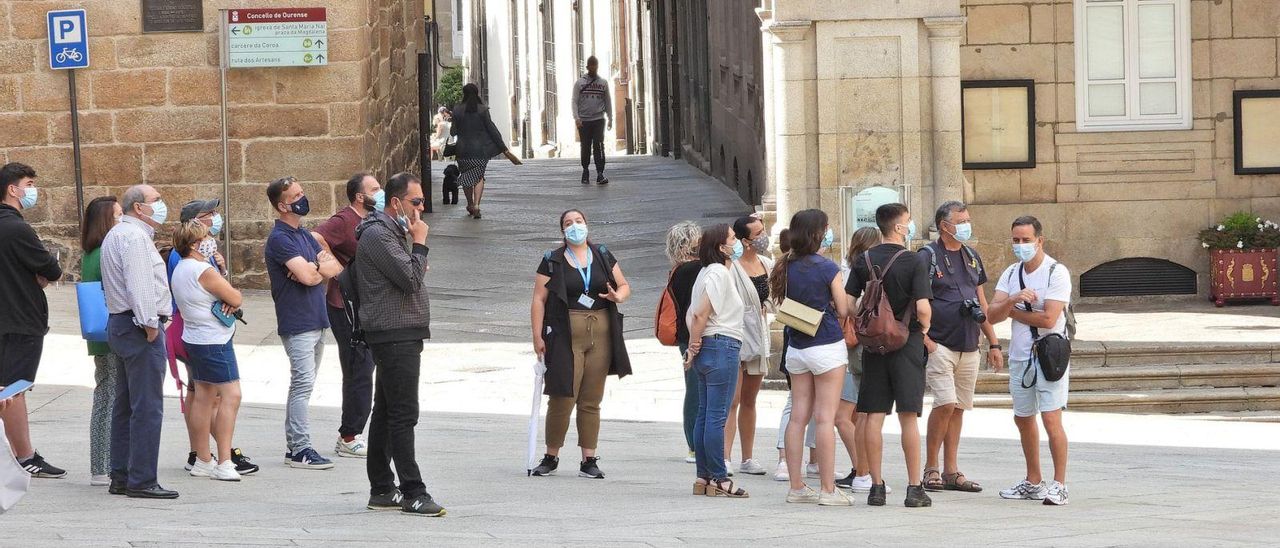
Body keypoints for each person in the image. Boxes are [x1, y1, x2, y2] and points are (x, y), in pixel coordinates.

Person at [354, 172, 446, 516]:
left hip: (399, 331)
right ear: (397, 203)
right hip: (395, 333)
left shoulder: (389, 232)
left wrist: (414, 255)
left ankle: (381, 487)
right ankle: (412, 490)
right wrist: (420, 244)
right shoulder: (379, 234)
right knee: (404, 413)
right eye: (416, 201)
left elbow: (409, 274)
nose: (421, 208)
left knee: (387, 410)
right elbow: (410, 279)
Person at [530, 209, 632, 479]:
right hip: (565, 332)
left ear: (587, 225)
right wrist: (537, 336)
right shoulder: (552, 260)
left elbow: (624, 286)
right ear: (562, 230)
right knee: (563, 394)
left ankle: (589, 458)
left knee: (591, 398)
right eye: (568, 223)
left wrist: (617, 296)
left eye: (579, 222)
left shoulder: (602, 254)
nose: (574, 226)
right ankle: (551, 455)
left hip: (600, 331)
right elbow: (538, 299)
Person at [844, 203, 933, 508]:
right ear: (897, 227)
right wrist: (924, 328)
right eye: (908, 222)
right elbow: (922, 307)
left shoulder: (863, 259)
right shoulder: (913, 260)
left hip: (874, 346)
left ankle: (876, 487)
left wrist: (869, 320)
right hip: (906, 341)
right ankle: (914, 487)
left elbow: (846, 305)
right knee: (908, 417)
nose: (910, 226)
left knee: (873, 416)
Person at [919, 201, 1003, 494]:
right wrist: (924, 339)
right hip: (939, 343)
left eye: (967, 219)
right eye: (961, 220)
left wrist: (993, 341)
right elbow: (916, 301)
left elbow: (981, 301)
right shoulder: (927, 256)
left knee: (958, 409)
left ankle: (951, 470)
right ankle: (931, 467)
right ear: (944, 226)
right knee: (944, 404)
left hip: (969, 344)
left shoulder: (971, 256)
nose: (966, 224)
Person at [988, 215, 1072, 506]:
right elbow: (991, 313)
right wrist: (1012, 300)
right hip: (1021, 355)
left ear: (1040, 240)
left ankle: (1059, 483)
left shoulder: (1055, 272)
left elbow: (1049, 318)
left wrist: (1011, 310)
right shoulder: (1012, 273)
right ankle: (1033, 479)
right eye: (1016, 240)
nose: (1021, 245)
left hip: (1049, 354)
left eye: (1026, 240)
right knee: (1023, 418)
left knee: (1051, 418)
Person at [170, 200, 258, 476]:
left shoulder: (182, 267)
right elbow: (234, 296)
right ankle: (224, 461)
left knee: (203, 395)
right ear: (196, 244)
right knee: (231, 394)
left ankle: (203, 458)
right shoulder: (202, 269)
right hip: (214, 339)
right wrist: (224, 283)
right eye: (205, 237)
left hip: (194, 337)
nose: (210, 240)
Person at [770, 209, 852, 506]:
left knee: (797, 416)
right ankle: (828, 490)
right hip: (826, 343)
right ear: (818, 233)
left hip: (797, 345)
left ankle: (796, 487)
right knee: (825, 417)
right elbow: (843, 310)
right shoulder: (828, 267)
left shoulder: (785, 265)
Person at [102, 184, 177, 499]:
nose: (161, 205)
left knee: (125, 404)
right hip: (137, 325)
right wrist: (150, 324)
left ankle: (121, 474)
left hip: (121, 324)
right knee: (147, 406)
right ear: (137, 207)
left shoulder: (118, 234)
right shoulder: (133, 238)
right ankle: (142, 478)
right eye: (155, 201)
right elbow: (140, 284)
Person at [264, 176, 342, 470]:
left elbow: (335, 268)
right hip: (297, 321)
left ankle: (297, 445)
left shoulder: (306, 236)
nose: (302, 197)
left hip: (316, 318)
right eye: (296, 195)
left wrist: (314, 267)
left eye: (302, 192)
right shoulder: (280, 239)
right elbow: (312, 277)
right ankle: (299, 447)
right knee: (302, 384)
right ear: (283, 205)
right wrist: (314, 269)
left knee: (306, 385)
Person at [0, 162, 66, 480]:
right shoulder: (16, 228)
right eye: (28, 184)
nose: (32, 190)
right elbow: (51, 270)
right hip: (20, 319)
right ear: (12, 189)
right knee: (13, 389)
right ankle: (25, 456)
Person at [313, 172, 383, 459]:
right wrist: (335, 266)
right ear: (359, 196)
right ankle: (349, 435)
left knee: (364, 368)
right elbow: (315, 236)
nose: (378, 192)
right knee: (359, 368)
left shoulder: (372, 220)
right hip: (344, 305)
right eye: (374, 189)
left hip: (365, 305)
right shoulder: (344, 220)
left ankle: (353, 431)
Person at [685, 223, 748, 498]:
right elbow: (701, 313)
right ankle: (720, 479)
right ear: (721, 247)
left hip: (711, 345)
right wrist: (693, 345)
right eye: (732, 239)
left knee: (705, 414)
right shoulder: (718, 273)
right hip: (720, 344)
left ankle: (704, 476)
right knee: (716, 416)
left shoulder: (707, 272)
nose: (737, 243)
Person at [834, 227, 883, 492]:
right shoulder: (867, 274)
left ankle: (861, 469)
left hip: (851, 349)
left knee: (849, 415)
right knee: (853, 414)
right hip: (861, 348)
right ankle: (862, 469)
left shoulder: (849, 274)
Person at [724, 216, 773, 476]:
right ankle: (725, 457)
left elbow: (774, 297)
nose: (764, 236)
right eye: (759, 233)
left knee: (750, 400)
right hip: (735, 336)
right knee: (732, 400)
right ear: (745, 241)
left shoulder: (766, 263)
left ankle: (748, 457)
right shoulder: (730, 268)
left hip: (758, 337)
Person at [80, 196, 122, 487]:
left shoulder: (91, 252)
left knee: (106, 395)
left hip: (101, 335)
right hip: (110, 334)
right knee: (108, 398)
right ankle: (102, 466)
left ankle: (102, 464)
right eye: (118, 215)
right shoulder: (104, 251)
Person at [772, 227, 817, 483]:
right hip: (805, 337)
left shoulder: (790, 268)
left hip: (800, 337)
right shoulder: (792, 269)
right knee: (796, 403)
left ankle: (813, 460)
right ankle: (784, 459)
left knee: (816, 406)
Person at [451, 83, 521, 219]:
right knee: (479, 177)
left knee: (466, 176)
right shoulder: (483, 110)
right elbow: (492, 130)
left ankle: (470, 204)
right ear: (477, 93)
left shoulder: (457, 110)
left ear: (463, 94)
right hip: (480, 151)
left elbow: (453, 131)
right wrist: (504, 149)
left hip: (462, 150)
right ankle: (477, 205)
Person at [664, 221, 703, 463]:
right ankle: (694, 444)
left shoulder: (678, 271)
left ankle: (693, 443)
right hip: (695, 337)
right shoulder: (697, 270)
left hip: (685, 337)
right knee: (698, 392)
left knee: (694, 389)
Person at [572, 56, 613, 185]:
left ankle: (600, 173)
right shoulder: (580, 83)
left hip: (599, 119)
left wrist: (610, 117)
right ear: (587, 67)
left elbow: (608, 101)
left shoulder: (603, 83)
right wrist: (576, 118)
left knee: (599, 145)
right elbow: (574, 101)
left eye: (595, 65)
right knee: (585, 146)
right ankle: (585, 170)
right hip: (584, 120)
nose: (593, 67)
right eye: (591, 65)